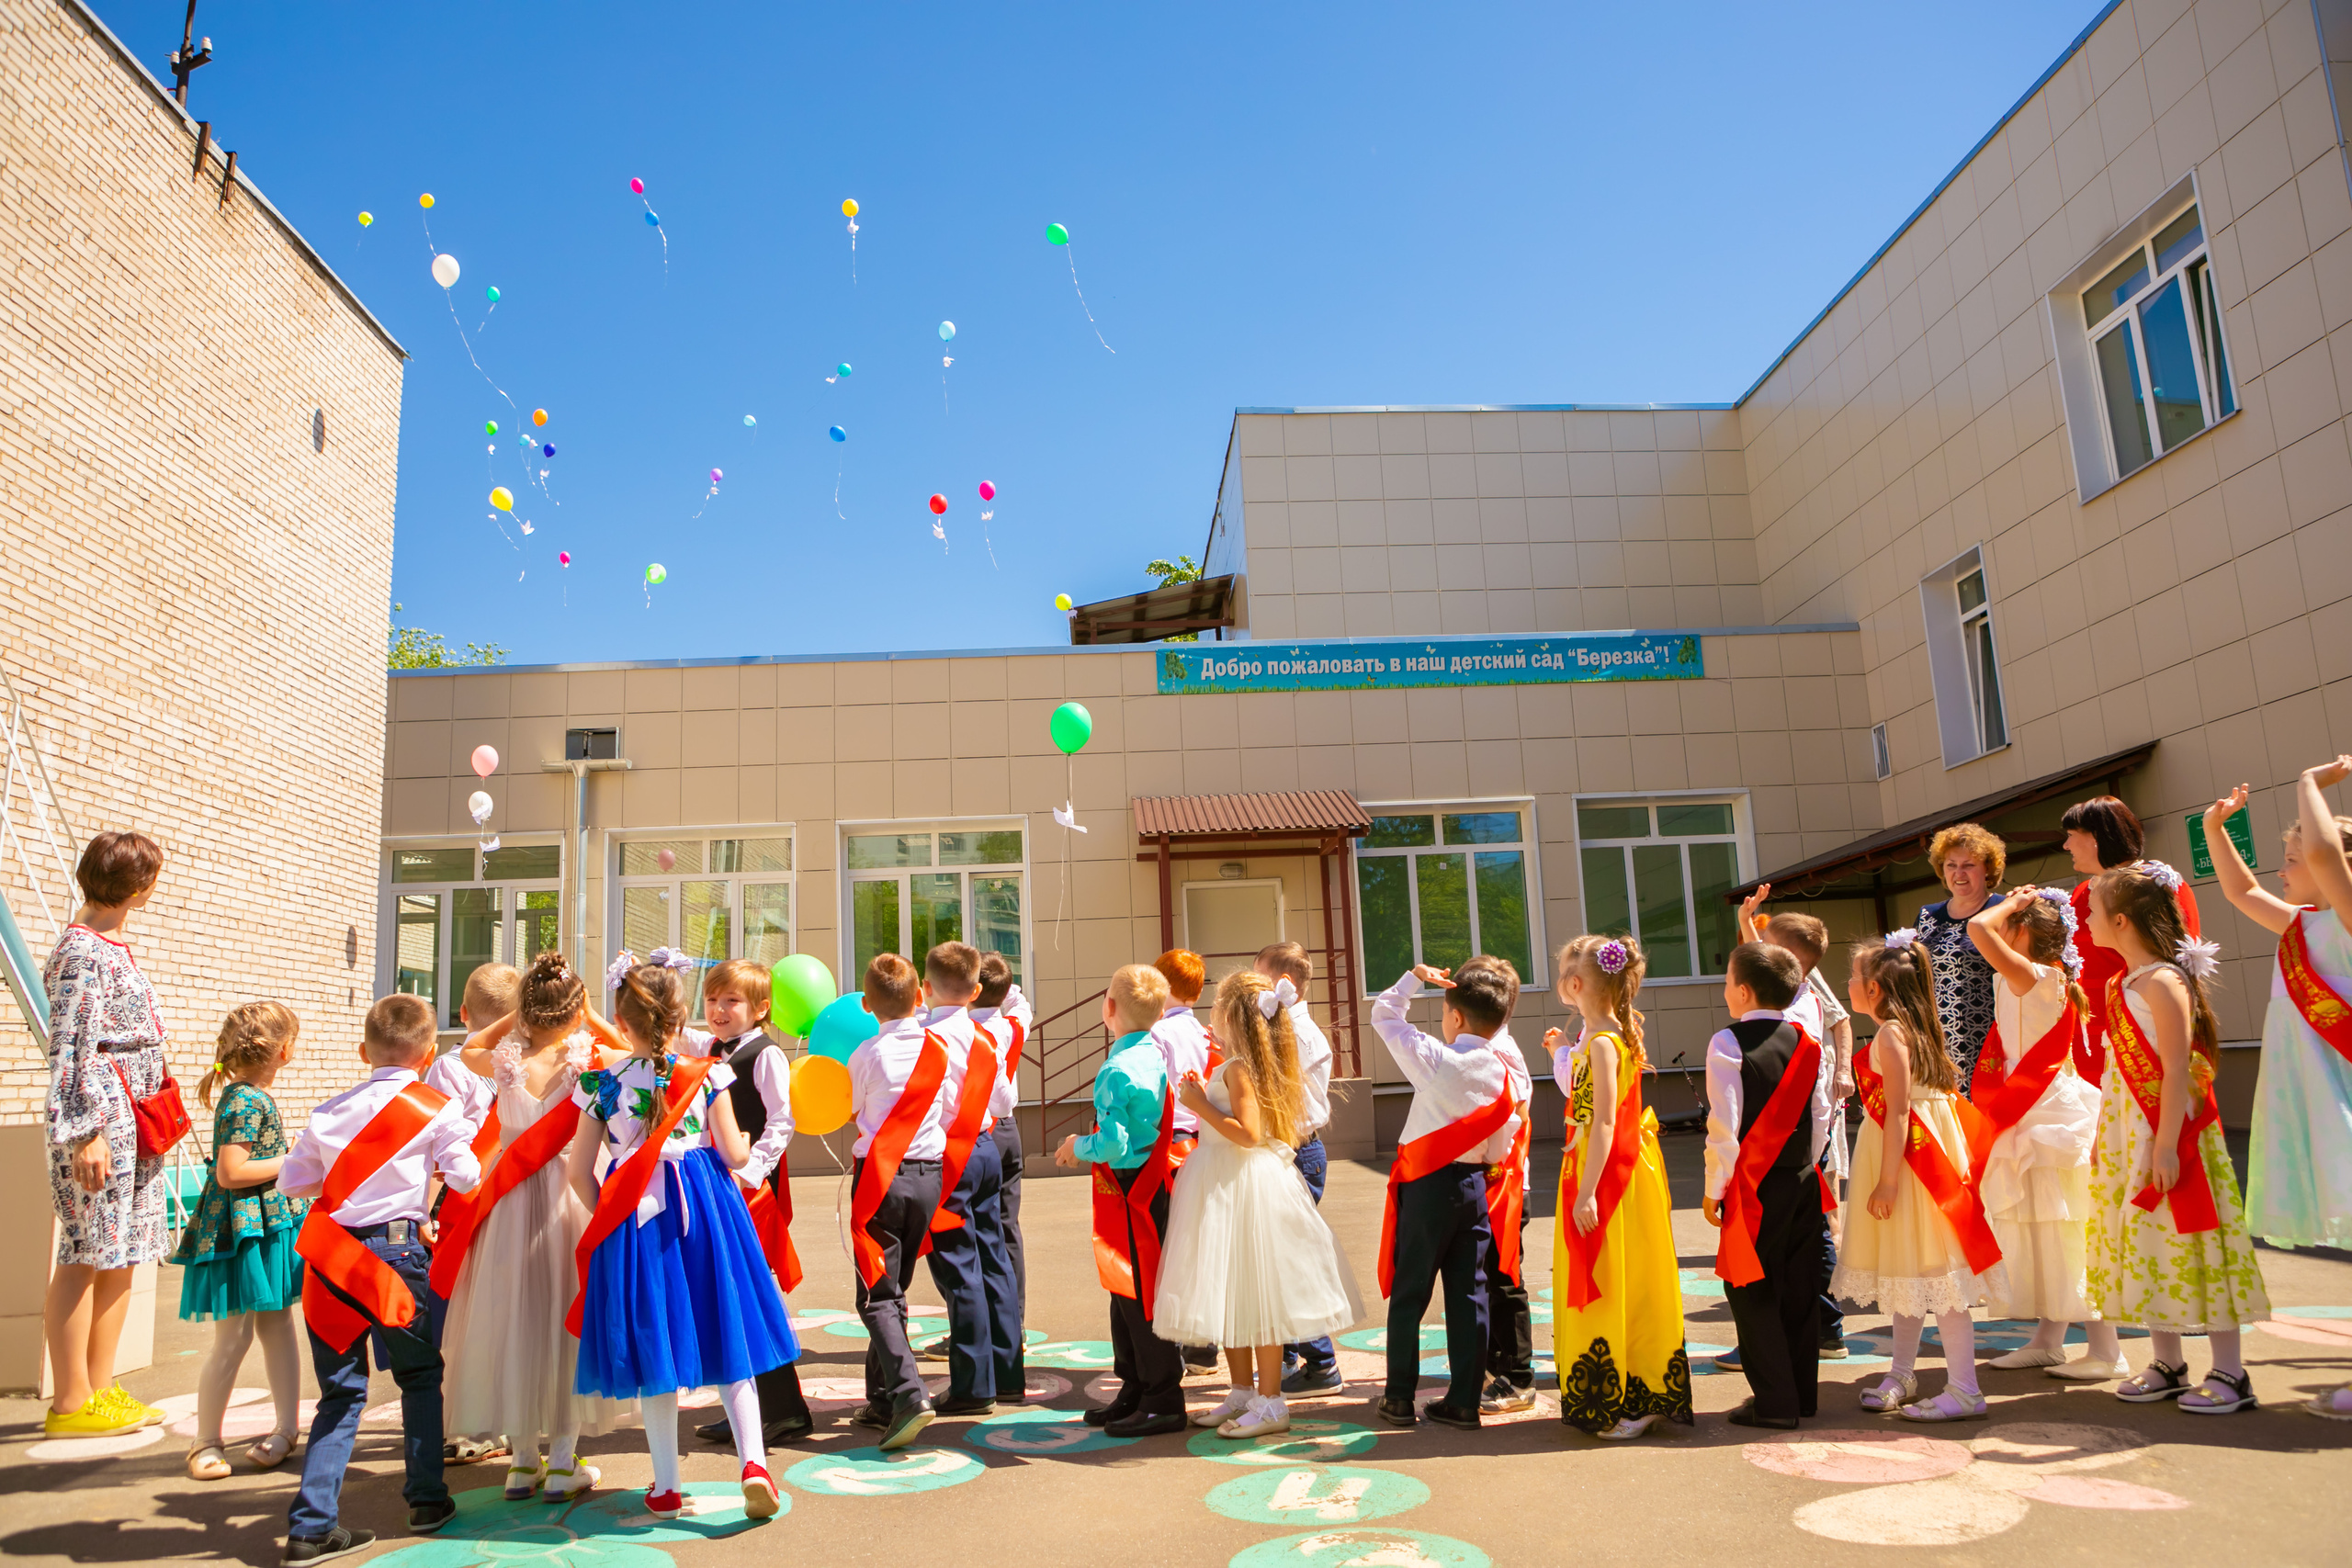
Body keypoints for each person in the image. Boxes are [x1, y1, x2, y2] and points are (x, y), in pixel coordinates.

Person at [565, 953, 796, 1521]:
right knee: (728, 1328)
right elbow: (737, 1154)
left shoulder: (599, 1083)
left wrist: (610, 1218)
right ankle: (755, 1464)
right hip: (707, 1207)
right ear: (681, 1017)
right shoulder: (708, 1073)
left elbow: (577, 1171)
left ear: (622, 1023)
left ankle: (666, 1485)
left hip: (635, 1213)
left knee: (655, 1344)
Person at [277, 994, 485, 1564]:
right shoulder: (437, 1107)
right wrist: (435, 1166)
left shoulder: (327, 1110)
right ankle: (425, 1500)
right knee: (419, 1377)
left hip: (332, 1261)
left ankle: (311, 1527)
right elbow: (467, 1179)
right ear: (427, 1056)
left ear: (364, 1050)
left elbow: (293, 1184)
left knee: (340, 1395)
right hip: (398, 1255)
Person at [2083, 866, 2270, 1413]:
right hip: (2126, 1133)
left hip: (2169, 1132)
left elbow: (2175, 1069)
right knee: (2148, 1245)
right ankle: (2168, 1362)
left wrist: (2165, 1145)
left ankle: (2231, 1372)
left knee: (2195, 1239)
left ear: (2120, 921)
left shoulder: (2164, 982)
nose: (2085, 923)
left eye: (2092, 913)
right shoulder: (2123, 984)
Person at [433, 953, 615, 1504]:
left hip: (509, 1204)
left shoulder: (504, 1056)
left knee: (512, 1320)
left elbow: (467, 1049)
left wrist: (512, 1016)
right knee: (565, 1322)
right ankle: (563, 1463)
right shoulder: (588, 1056)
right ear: (574, 1011)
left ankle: (521, 1463)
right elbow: (632, 1052)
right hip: (567, 1196)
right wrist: (593, 1014)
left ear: (525, 1012)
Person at [1156, 970, 1365, 1439]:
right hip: (1229, 1184)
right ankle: (1241, 1391)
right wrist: (1203, 1093)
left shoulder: (1239, 1068)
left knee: (1259, 1296)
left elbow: (1249, 1135)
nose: (1210, 1011)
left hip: (1241, 1185)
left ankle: (1271, 1402)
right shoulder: (1241, 1064)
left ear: (1231, 1015)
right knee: (1233, 1292)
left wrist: (1197, 1102)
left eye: (1216, 1005)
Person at [2217, 761, 2352, 1417]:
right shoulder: (2300, 924)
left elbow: (2327, 850)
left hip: (2342, 1088)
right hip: (2309, 1093)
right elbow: (2240, 892)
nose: (2285, 871)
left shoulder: (2350, 917)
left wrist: (2309, 782)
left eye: (2291, 859)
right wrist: (2218, 829)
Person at [1835, 932, 2003, 1422]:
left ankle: (1965, 1389)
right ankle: (1902, 1371)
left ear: (1876, 989)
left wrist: (1887, 1182)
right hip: (1914, 1158)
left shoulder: (1890, 1034)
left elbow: (1900, 1113)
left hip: (1909, 1164)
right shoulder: (1914, 1026)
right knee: (1909, 1270)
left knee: (1934, 1274)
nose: (1848, 982)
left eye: (1854, 976)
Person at [41, 829, 174, 1438]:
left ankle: (101, 1386)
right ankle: (70, 1399)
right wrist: (85, 1130)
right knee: (84, 1251)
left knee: (120, 1252)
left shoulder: (111, 944)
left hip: (133, 1114)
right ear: (137, 887)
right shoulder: (82, 950)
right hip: (102, 1115)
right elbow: (71, 1049)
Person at [1963, 887, 2119, 1379]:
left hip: (2045, 1112)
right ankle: (2049, 1339)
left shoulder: (2034, 975)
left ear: (2023, 932)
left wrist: (2008, 904)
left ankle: (2106, 1350)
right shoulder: (2026, 977)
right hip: (2028, 1110)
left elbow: (1977, 928)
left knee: (2066, 1229)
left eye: (2010, 922)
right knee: (2044, 1227)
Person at [1543, 936, 1690, 1440]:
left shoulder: (1603, 1043)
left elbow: (1602, 1122)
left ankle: (1634, 1392)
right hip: (1602, 1165)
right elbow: (1587, 1105)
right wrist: (1564, 1051)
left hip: (1610, 1172)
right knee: (1622, 1273)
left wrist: (1587, 1192)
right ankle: (1622, 1388)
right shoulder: (1597, 1038)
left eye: (1562, 971)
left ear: (1576, 985)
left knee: (1620, 1273)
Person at [1367, 962, 1519, 1431]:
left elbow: (1386, 1015)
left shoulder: (1437, 1059)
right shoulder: (1504, 1069)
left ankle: (1397, 1398)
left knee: (1411, 1291)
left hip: (1428, 1186)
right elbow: (1504, 1138)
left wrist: (1413, 977)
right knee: (1469, 1293)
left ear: (1453, 1017)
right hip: (1474, 1185)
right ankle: (1464, 1401)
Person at [172, 1002, 308, 1481]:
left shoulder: (245, 1095)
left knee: (274, 1327)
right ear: (284, 1052)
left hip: (261, 1226)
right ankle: (205, 1441)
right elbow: (232, 1172)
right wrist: (294, 1158)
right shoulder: (247, 1100)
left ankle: (286, 1428)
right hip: (244, 1230)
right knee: (237, 1337)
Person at [1701, 942, 1834, 1430]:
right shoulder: (1808, 1042)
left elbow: (1725, 1126)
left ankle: (1774, 1403)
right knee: (1799, 1288)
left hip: (1753, 1187)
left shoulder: (1727, 1042)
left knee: (1750, 1287)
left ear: (1741, 990)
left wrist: (1715, 1188)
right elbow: (1821, 1115)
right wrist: (1807, 1162)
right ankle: (1800, 1396)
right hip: (1801, 1179)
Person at [1054, 964, 1184, 1437]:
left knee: (1136, 1293)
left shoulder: (1116, 1069)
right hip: (1150, 1185)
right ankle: (1136, 1386)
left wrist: (1076, 1147)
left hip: (1130, 1185)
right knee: (1127, 1288)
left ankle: (1161, 1396)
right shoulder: (1154, 1052)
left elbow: (1113, 1143)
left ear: (1108, 1009)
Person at [690, 958, 815, 1449]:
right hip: (722, 1185)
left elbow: (782, 1122)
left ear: (761, 1009)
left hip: (752, 1191)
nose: (719, 1010)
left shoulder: (765, 1056)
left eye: (732, 1001)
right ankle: (758, 1406)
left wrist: (748, 1172)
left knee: (751, 1295)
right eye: (713, 1000)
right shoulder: (713, 1049)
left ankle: (784, 1410)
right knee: (735, 1295)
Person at [1730, 893, 1853, 1365]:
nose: (1756, 938)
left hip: (1786, 1137)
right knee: (1805, 1232)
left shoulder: (1794, 1008)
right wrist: (1745, 919)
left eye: (1767, 938)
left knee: (1791, 1237)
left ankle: (1810, 1328)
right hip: (1799, 1135)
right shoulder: (1793, 991)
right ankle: (1819, 1327)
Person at [843, 953, 950, 1450]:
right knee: (893, 1289)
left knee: (876, 1294)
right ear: (921, 996)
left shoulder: (868, 1053)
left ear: (867, 1004)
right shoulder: (939, 1048)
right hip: (929, 1176)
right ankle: (883, 1395)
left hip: (882, 1177)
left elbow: (853, 1109)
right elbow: (948, 1110)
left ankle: (908, 1394)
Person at [914, 942, 1021, 1416]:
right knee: (993, 1256)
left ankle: (974, 1384)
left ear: (925, 988)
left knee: (959, 1268)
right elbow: (1004, 1103)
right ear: (977, 990)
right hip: (984, 1147)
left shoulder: (924, 1037)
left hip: (948, 1154)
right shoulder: (986, 1036)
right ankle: (1008, 1373)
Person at [423, 961, 518, 1472]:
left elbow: (441, 1139)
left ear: (462, 1013)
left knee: (469, 1314)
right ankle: (507, 1414)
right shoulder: (527, 1062)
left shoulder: (452, 1066)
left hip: (470, 1199)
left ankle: (481, 1423)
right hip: (517, 1196)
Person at [2062, 795, 2200, 1083]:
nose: (2066, 845)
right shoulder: (2082, 892)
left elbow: (2180, 964)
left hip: (2142, 1026)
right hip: (2088, 1033)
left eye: (2072, 836)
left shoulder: (2156, 884)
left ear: (2096, 837)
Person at [1261, 942, 1342, 1398]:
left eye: (1261, 980)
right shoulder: (1280, 1026)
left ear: (1283, 983)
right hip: (1284, 1150)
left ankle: (1321, 1359)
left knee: (1291, 1260)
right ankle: (1290, 1351)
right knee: (1278, 1257)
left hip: (1298, 1152)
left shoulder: (1299, 1032)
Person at [1464, 956, 1535, 1416]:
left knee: (1505, 1276)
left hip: (1504, 1181)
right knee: (1492, 1274)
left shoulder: (1498, 1053)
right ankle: (1498, 1363)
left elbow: (1517, 1116)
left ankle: (1518, 1374)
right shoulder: (1494, 1047)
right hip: (1497, 1179)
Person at [1149, 949, 1222, 1374]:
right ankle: (1204, 1344)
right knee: (1201, 1243)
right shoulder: (1206, 1032)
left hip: (1172, 1144)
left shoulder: (1158, 1034)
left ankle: (1175, 1340)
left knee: (1169, 1244)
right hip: (1206, 1140)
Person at [968, 953, 1033, 1396]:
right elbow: (1018, 998)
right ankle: (1016, 1323)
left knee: (976, 1234)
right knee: (1006, 1229)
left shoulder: (965, 1031)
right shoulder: (1013, 1024)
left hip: (981, 1130)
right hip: (1010, 1129)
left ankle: (982, 1327)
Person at [1912, 823, 2006, 1087]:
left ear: (1987, 868)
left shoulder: (2004, 909)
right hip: (1938, 1044)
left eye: (1969, 865)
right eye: (1951, 865)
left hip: (1993, 1040)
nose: (1959, 873)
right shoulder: (1927, 916)